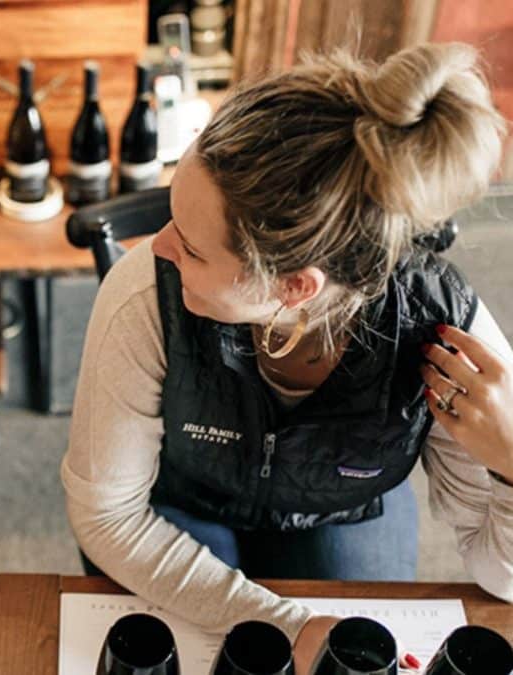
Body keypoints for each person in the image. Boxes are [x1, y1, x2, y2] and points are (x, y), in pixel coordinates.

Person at [62, 42, 512, 669]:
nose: (159, 247)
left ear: (293, 287)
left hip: (340, 511)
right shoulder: (144, 293)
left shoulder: (446, 335)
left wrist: (512, 465)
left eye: (191, 248)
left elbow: (501, 578)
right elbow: (108, 518)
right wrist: (282, 623)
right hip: (183, 498)